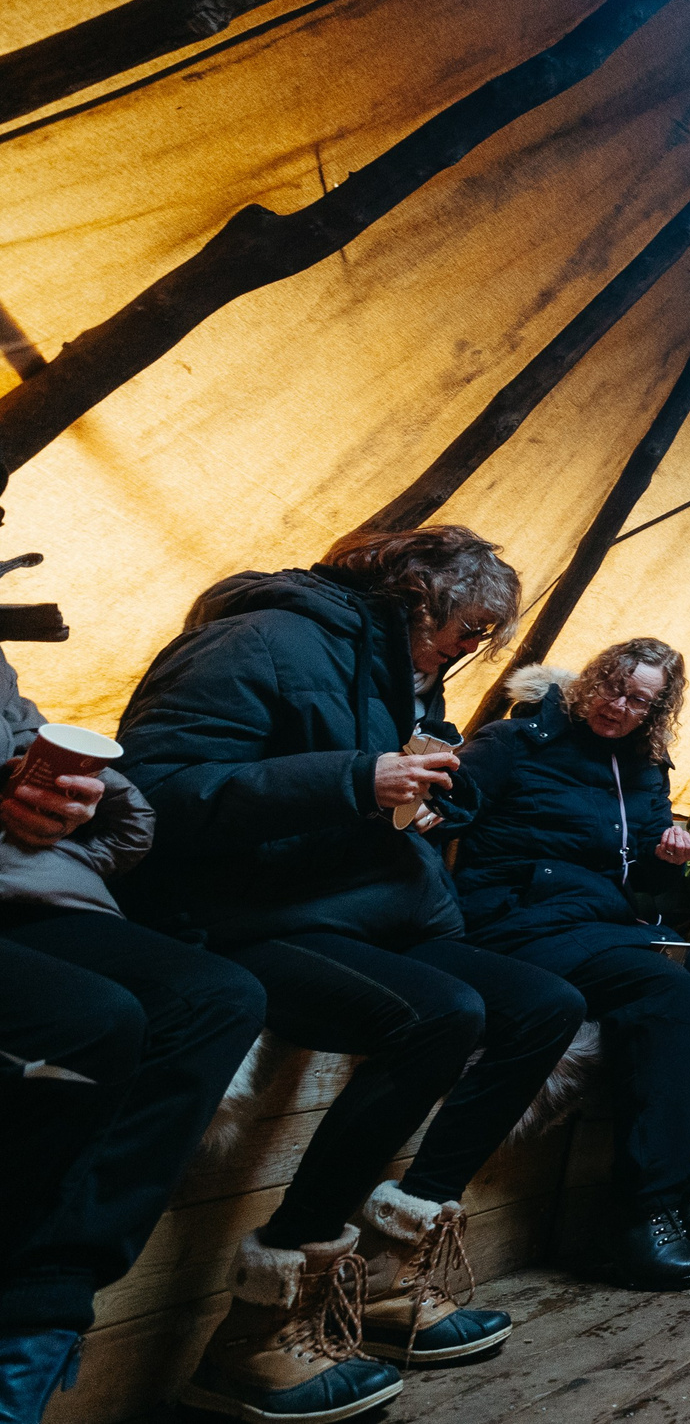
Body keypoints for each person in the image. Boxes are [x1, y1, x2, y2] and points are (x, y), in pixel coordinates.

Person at [116, 527, 585, 1421]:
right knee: (436, 1013)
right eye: (467, 626)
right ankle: (261, 1324)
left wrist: (434, 781)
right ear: (417, 598)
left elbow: (384, 781)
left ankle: (386, 1277)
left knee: (544, 1004)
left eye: (484, 634)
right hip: (240, 915)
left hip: (351, 905)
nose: (471, 647)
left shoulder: (392, 668)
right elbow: (154, 787)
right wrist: (353, 777)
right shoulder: (262, 639)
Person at [0, 643, 265, 1424]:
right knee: (95, 1019)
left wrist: (85, 799)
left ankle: (42, 1304)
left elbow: (41, 755)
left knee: (216, 999)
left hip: (34, 891)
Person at [451, 642, 690, 1294]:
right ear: (589, 684)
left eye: (641, 699)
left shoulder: (644, 770)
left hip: (599, 922)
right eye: (613, 689)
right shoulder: (516, 740)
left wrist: (665, 861)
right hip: (513, 919)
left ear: (656, 709)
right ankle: (644, 1210)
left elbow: (643, 887)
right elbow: (446, 804)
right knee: (658, 983)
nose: (621, 706)